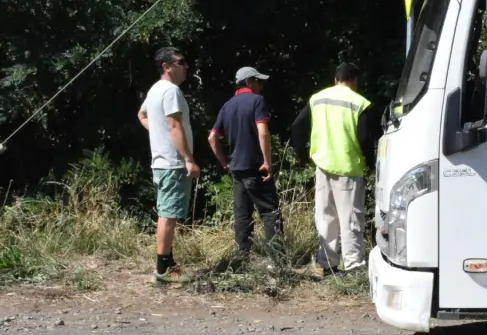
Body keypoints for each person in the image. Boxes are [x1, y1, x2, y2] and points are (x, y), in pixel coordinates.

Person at [290, 63, 379, 277]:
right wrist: (371, 161)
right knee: (350, 219)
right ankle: (354, 265)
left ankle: (327, 263)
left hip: (322, 166)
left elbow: (296, 126)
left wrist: (301, 156)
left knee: (325, 216)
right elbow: (366, 138)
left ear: (335, 79)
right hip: (348, 167)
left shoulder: (317, 98)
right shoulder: (360, 103)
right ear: (354, 80)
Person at [207, 66, 284, 259]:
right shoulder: (257, 101)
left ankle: (242, 258)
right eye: (258, 81)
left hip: (237, 169)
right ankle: (277, 261)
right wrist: (267, 161)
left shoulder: (227, 105)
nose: (261, 85)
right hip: (256, 166)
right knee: (269, 213)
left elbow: (212, 137)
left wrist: (225, 162)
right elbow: (262, 131)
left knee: (242, 215)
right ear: (249, 82)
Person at [137, 46, 198, 284]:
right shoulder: (170, 90)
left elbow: (141, 115)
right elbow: (174, 126)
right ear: (167, 67)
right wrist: (188, 159)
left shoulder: (154, 90)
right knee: (168, 215)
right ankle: (162, 268)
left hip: (162, 161)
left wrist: (156, 131)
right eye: (180, 62)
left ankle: (168, 262)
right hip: (172, 163)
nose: (186, 67)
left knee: (167, 212)